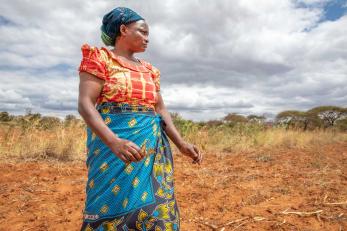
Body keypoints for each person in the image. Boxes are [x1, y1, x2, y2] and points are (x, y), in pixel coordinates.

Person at [77, 7, 203, 231]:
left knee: (156, 210)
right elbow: (86, 104)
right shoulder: (101, 59)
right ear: (123, 30)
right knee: (108, 202)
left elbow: (160, 110)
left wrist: (181, 144)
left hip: (149, 150)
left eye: (148, 35)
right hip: (112, 149)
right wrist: (114, 142)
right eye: (142, 32)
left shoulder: (150, 71)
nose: (147, 39)